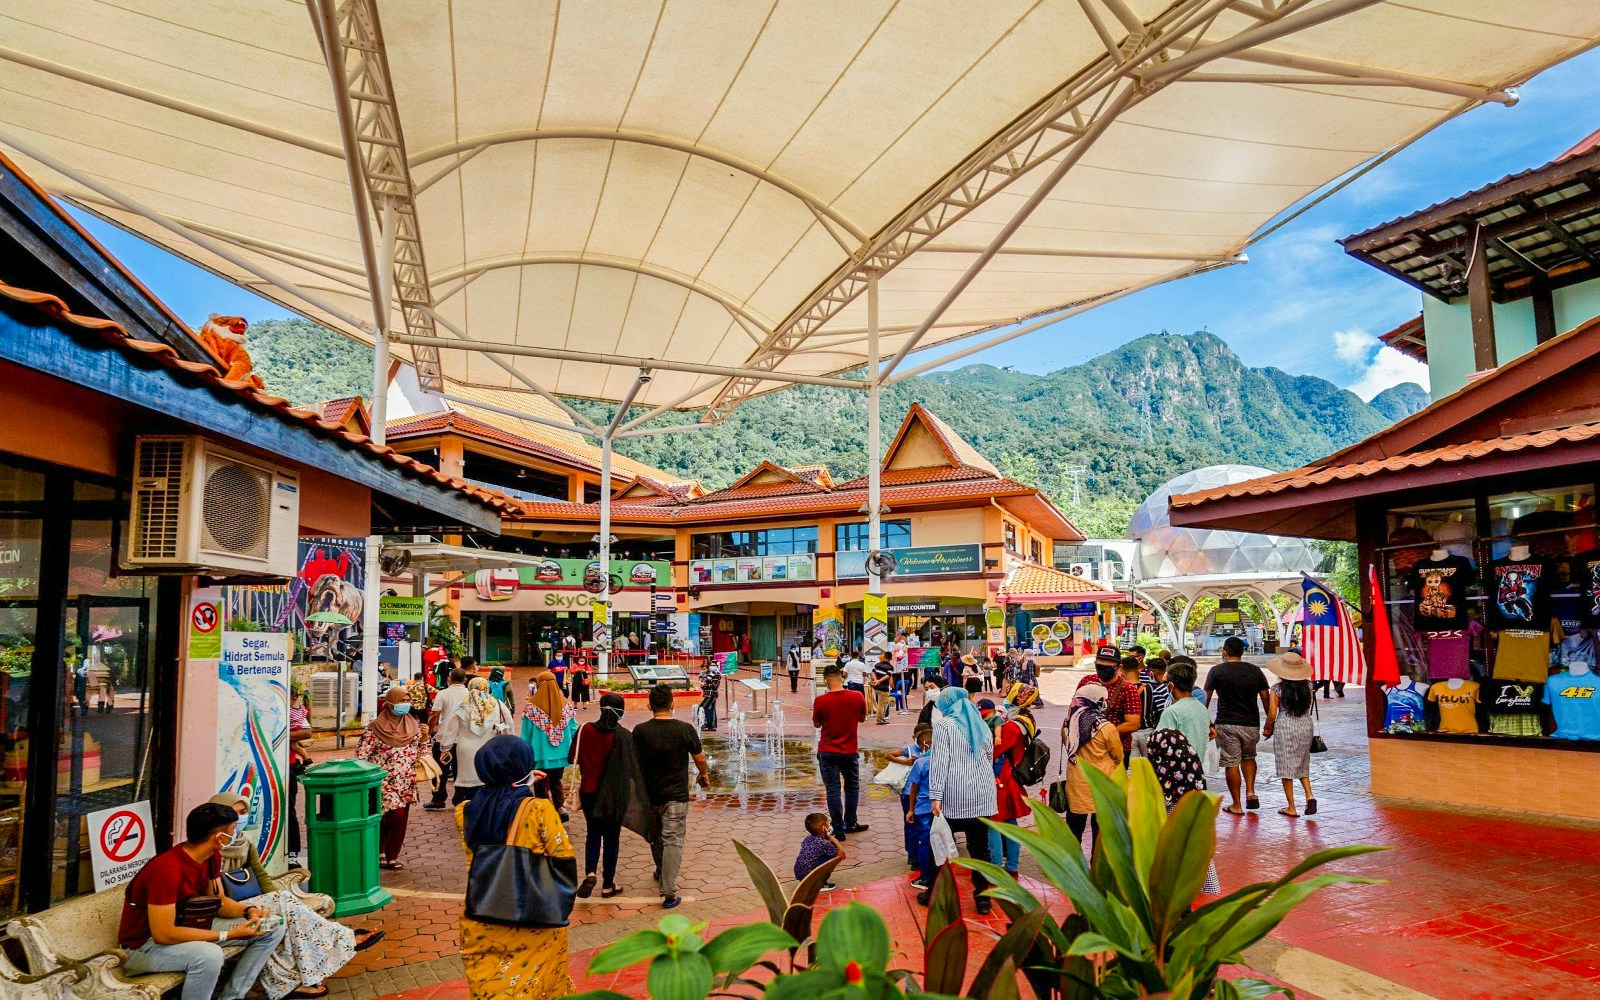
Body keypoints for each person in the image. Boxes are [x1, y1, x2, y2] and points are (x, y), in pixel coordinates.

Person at [207, 793, 373, 999]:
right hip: (224, 911)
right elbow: (215, 900)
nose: (239, 818)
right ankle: (341, 938)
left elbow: (262, 876)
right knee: (281, 904)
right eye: (234, 813)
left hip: (249, 905)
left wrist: (278, 901)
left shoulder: (244, 843)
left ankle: (285, 984)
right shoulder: (209, 849)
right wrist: (278, 901)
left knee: (280, 916)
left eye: (243, 812)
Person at [119, 802, 287, 1000]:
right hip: (143, 948)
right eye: (233, 829)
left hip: (189, 926)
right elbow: (163, 934)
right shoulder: (166, 870)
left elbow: (220, 902)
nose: (235, 834)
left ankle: (232, 997)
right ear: (220, 838)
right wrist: (227, 935)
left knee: (272, 927)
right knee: (209, 955)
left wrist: (248, 910)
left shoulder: (211, 857)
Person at [458, 735, 576, 1000]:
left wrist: (517, 783)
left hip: (483, 913)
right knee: (539, 986)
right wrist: (537, 791)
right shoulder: (539, 810)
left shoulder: (466, 812)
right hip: (533, 917)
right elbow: (562, 854)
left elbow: (498, 801)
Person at [921, 685, 997, 912]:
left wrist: (935, 796)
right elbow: (990, 757)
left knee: (939, 845)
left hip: (954, 796)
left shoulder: (944, 725)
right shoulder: (981, 724)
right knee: (980, 849)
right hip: (982, 795)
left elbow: (939, 762)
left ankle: (935, 893)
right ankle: (983, 898)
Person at [633, 685, 710, 909]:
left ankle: (661, 870)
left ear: (649, 706)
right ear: (672, 704)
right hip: (676, 796)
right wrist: (703, 774)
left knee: (656, 837)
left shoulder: (640, 731)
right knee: (673, 840)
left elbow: (632, 761)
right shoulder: (685, 730)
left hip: (649, 796)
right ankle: (668, 890)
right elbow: (700, 758)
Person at [356, 687, 430, 869]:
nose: (405, 705)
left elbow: (421, 753)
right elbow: (361, 755)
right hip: (383, 781)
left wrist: (424, 738)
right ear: (389, 704)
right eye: (401, 701)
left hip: (406, 780)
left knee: (401, 818)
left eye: (407, 701)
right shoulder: (374, 728)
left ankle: (392, 855)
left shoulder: (413, 726)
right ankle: (379, 848)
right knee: (389, 815)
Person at [1143, 728, 1221, 896]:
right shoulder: (1189, 760)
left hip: (1171, 828)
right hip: (1193, 821)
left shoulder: (1163, 771)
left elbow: (1161, 800)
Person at [1204, 635, 1273, 816]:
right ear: (1242, 652)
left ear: (1225, 652)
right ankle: (1250, 792)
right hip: (1251, 723)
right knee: (1249, 757)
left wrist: (1207, 722)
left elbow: (1206, 698)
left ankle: (1236, 804)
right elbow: (1265, 698)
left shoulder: (1216, 671)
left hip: (1226, 722)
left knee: (1231, 762)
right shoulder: (1255, 671)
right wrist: (1269, 722)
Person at [571, 693, 630, 899]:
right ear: (620, 712)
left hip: (589, 792)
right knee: (612, 838)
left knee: (593, 833)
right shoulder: (623, 736)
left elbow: (571, 757)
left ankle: (590, 873)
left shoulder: (584, 730)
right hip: (614, 796)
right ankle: (607, 885)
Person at [1060, 682, 1123, 851]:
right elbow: (1118, 754)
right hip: (1101, 782)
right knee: (1100, 829)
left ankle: (1072, 862)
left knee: (1074, 828)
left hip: (1076, 782)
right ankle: (1096, 862)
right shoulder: (1106, 728)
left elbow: (1069, 747)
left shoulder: (1069, 724)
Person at [988, 683, 1040, 879]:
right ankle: (1012, 867)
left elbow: (995, 751)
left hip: (1003, 778)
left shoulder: (1012, 726)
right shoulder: (1026, 719)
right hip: (1011, 778)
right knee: (1010, 822)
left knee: (994, 823)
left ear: (1017, 696)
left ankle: (996, 868)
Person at [812, 663, 868, 839]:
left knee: (833, 790)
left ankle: (838, 829)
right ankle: (850, 822)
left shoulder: (821, 700)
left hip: (828, 751)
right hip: (850, 751)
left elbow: (817, 724)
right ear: (841, 677)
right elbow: (862, 718)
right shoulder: (857, 696)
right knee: (852, 787)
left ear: (825, 681)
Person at [1265, 651, 1317, 817]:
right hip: (1305, 725)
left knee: (1285, 765)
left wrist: (1267, 728)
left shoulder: (1277, 689)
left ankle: (1291, 807)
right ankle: (1309, 795)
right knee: (1302, 761)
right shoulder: (1309, 686)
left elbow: (1272, 713)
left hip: (1285, 726)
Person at [522, 669, 578, 820]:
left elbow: (526, 735)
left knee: (541, 784)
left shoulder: (531, 708)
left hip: (539, 755)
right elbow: (574, 729)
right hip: (562, 755)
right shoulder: (566, 705)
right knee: (556, 781)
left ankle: (544, 812)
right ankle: (560, 807)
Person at [453, 677, 514, 804]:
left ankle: (467, 803)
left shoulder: (462, 705)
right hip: (490, 749)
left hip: (466, 750)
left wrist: (445, 746)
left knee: (468, 782)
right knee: (487, 777)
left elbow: (450, 728)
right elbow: (509, 724)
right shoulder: (497, 704)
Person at [424, 668, 469, 811]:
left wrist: (429, 731)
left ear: (449, 679)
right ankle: (460, 798)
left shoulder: (443, 694)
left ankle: (438, 798)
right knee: (460, 771)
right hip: (463, 739)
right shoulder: (470, 694)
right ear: (465, 680)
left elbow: (434, 715)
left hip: (443, 738)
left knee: (439, 769)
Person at [1156, 658, 1212, 772]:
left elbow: (1160, 743)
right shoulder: (1202, 709)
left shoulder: (1172, 712)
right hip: (1197, 768)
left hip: (1176, 771)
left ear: (1170, 685)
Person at [886, 724, 928, 870]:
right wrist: (904, 761)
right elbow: (888, 755)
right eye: (920, 736)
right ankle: (912, 855)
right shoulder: (909, 749)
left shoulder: (931, 751)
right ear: (914, 737)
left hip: (923, 794)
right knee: (911, 824)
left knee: (921, 825)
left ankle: (919, 855)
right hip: (909, 793)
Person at [901, 725, 935, 889]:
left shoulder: (921, 763)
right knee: (937, 842)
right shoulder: (945, 760)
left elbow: (913, 788)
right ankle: (937, 874)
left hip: (922, 807)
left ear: (925, 745)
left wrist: (910, 810)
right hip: (939, 807)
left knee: (924, 842)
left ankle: (925, 877)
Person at [286, 688, 312, 866]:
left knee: (288, 810)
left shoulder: (293, 710)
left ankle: (292, 853)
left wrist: (284, 735)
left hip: (288, 765)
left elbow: (307, 732)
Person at [793, 812, 843, 891]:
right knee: (833, 859)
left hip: (799, 873)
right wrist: (831, 838)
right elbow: (841, 854)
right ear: (824, 828)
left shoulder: (808, 838)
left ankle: (810, 883)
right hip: (809, 875)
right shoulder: (824, 843)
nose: (830, 826)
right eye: (828, 824)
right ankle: (819, 885)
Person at [869, 651, 894, 725]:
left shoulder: (877, 664)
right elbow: (887, 676)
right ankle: (879, 720)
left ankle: (881, 718)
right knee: (882, 704)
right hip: (883, 687)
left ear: (884, 656)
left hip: (876, 687)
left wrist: (876, 680)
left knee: (881, 703)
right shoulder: (890, 667)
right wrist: (879, 681)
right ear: (891, 658)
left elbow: (873, 672)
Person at [698, 660, 721, 732]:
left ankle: (706, 724)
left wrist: (705, 684)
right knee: (710, 709)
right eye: (711, 665)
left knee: (702, 707)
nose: (712, 666)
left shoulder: (717, 674)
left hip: (712, 694)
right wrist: (702, 683)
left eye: (714, 665)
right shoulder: (707, 674)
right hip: (707, 694)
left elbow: (715, 686)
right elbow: (703, 684)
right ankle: (711, 726)